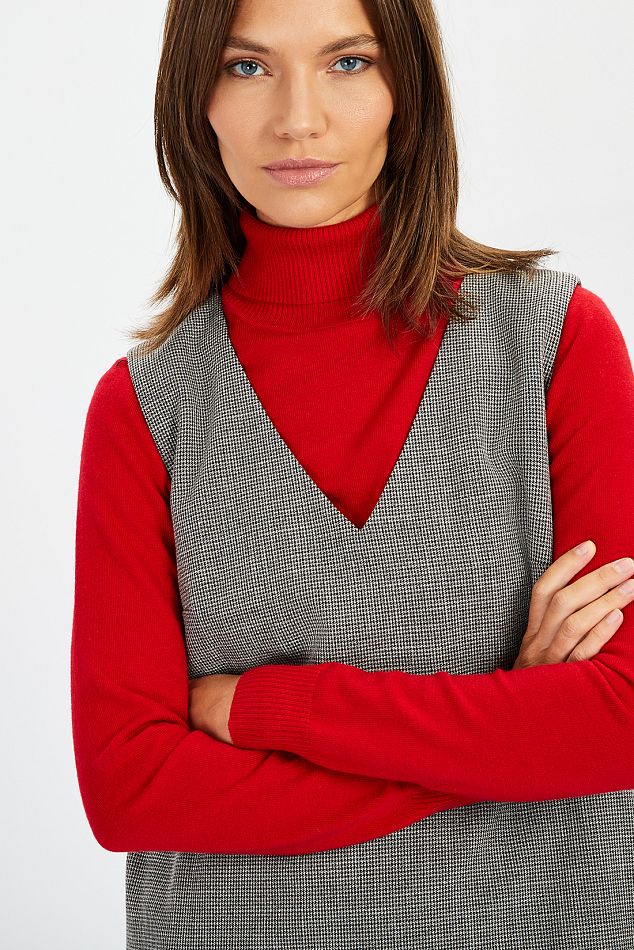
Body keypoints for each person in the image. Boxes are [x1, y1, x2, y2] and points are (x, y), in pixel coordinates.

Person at [70, 0, 634, 947]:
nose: (298, 119)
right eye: (247, 67)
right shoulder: (146, 407)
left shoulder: (552, 343)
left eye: (347, 62)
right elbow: (131, 790)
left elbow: (619, 722)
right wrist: (512, 729)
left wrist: (272, 707)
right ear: (194, 100)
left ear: (405, 89)